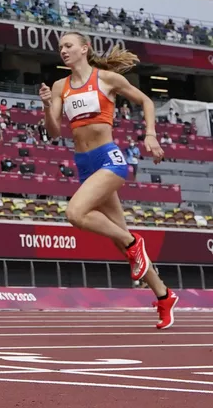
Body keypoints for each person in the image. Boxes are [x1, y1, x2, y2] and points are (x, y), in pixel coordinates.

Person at [38, 32, 177, 330]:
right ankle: (164, 295)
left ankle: (133, 242)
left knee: (75, 213)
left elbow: (146, 101)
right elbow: (53, 131)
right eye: (60, 47)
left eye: (68, 46)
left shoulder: (107, 79)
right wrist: (47, 106)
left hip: (109, 159)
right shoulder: (60, 86)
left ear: (84, 49)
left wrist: (150, 135)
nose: (63, 51)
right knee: (118, 240)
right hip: (84, 165)